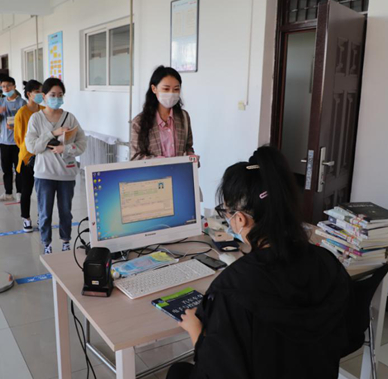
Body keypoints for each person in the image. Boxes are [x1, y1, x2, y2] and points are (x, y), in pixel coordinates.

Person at [167, 146, 351, 379]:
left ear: (240, 219)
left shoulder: (232, 288)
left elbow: (215, 372)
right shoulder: (326, 263)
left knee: (178, 372)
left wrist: (195, 330)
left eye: (225, 212)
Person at [25, 78, 86, 254]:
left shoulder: (70, 118)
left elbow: (82, 144)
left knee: (66, 211)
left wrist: (65, 148)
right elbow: (32, 147)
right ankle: (46, 243)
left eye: (60, 95)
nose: (56, 98)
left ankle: (66, 241)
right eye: (53, 95)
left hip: (66, 174)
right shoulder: (36, 118)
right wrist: (52, 133)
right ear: (44, 96)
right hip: (44, 174)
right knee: (45, 212)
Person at [130, 66, 195, 160]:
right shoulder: (139, 122)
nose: (171, 93)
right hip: (155, 170)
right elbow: (135, 157)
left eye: (176, 89)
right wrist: (163, 162)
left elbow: (188, 147)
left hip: (179, 170)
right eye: (166, 89)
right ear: (154, 89)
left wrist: (192, 157)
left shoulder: (184, 117)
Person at [14, 79, 44, 232]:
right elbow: (18, 138)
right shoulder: (22, 113)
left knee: (42, 190)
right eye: (37, 92)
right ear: (29, 94)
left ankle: (41, 217)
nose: (41, 95)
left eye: (42, 92)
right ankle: (26, 218)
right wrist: (29, 149)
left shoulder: (44, 110)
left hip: (43, 155)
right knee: (27, 190)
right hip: (27, 157)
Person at [0, 76, 26, 202]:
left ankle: (19, 192)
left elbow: (25, 122)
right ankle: (8, 193)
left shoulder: (21, 103)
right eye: (3, 86)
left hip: (18, 142)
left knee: (19, 169)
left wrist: (15, 126)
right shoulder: (1, 102)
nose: (6, 88)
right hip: (4, 142)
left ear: (14, 86)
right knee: (6, 169)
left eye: (8, 86)